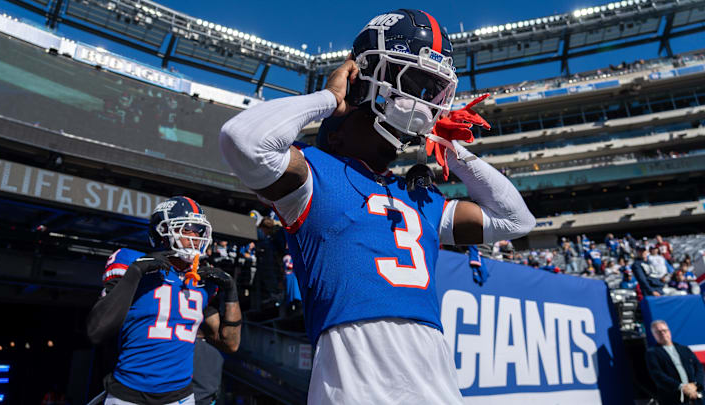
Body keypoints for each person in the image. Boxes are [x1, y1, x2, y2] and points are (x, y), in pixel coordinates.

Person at [219, 9, 535, 404]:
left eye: (429, 89)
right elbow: (242, 138)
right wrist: (329, 97)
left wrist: (453, 151)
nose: (418, 99)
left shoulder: (419, 197)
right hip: (355, 389)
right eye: (411, 82)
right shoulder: (315, 175)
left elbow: (516, 220)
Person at [86, 196, 242, 405]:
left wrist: (231, 292)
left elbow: (230, 344)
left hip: (180, 398)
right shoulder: (131, 262)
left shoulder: (200, 280)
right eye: (187, 228)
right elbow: (96, 330)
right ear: (163, 231)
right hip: (128, 394)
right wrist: (135, 273)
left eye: (198, 230)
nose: (195, 236)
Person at [645, 320, 704, 404]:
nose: (662, 333)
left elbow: (699, 368)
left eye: (664, 330)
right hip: (673, 398)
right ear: (654, 335)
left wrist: (696, 385)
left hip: (696, 395)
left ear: (669, 331)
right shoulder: (652, 353)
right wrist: (681, 387)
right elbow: (657, 375)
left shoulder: (685, 349)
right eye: (658, 332)